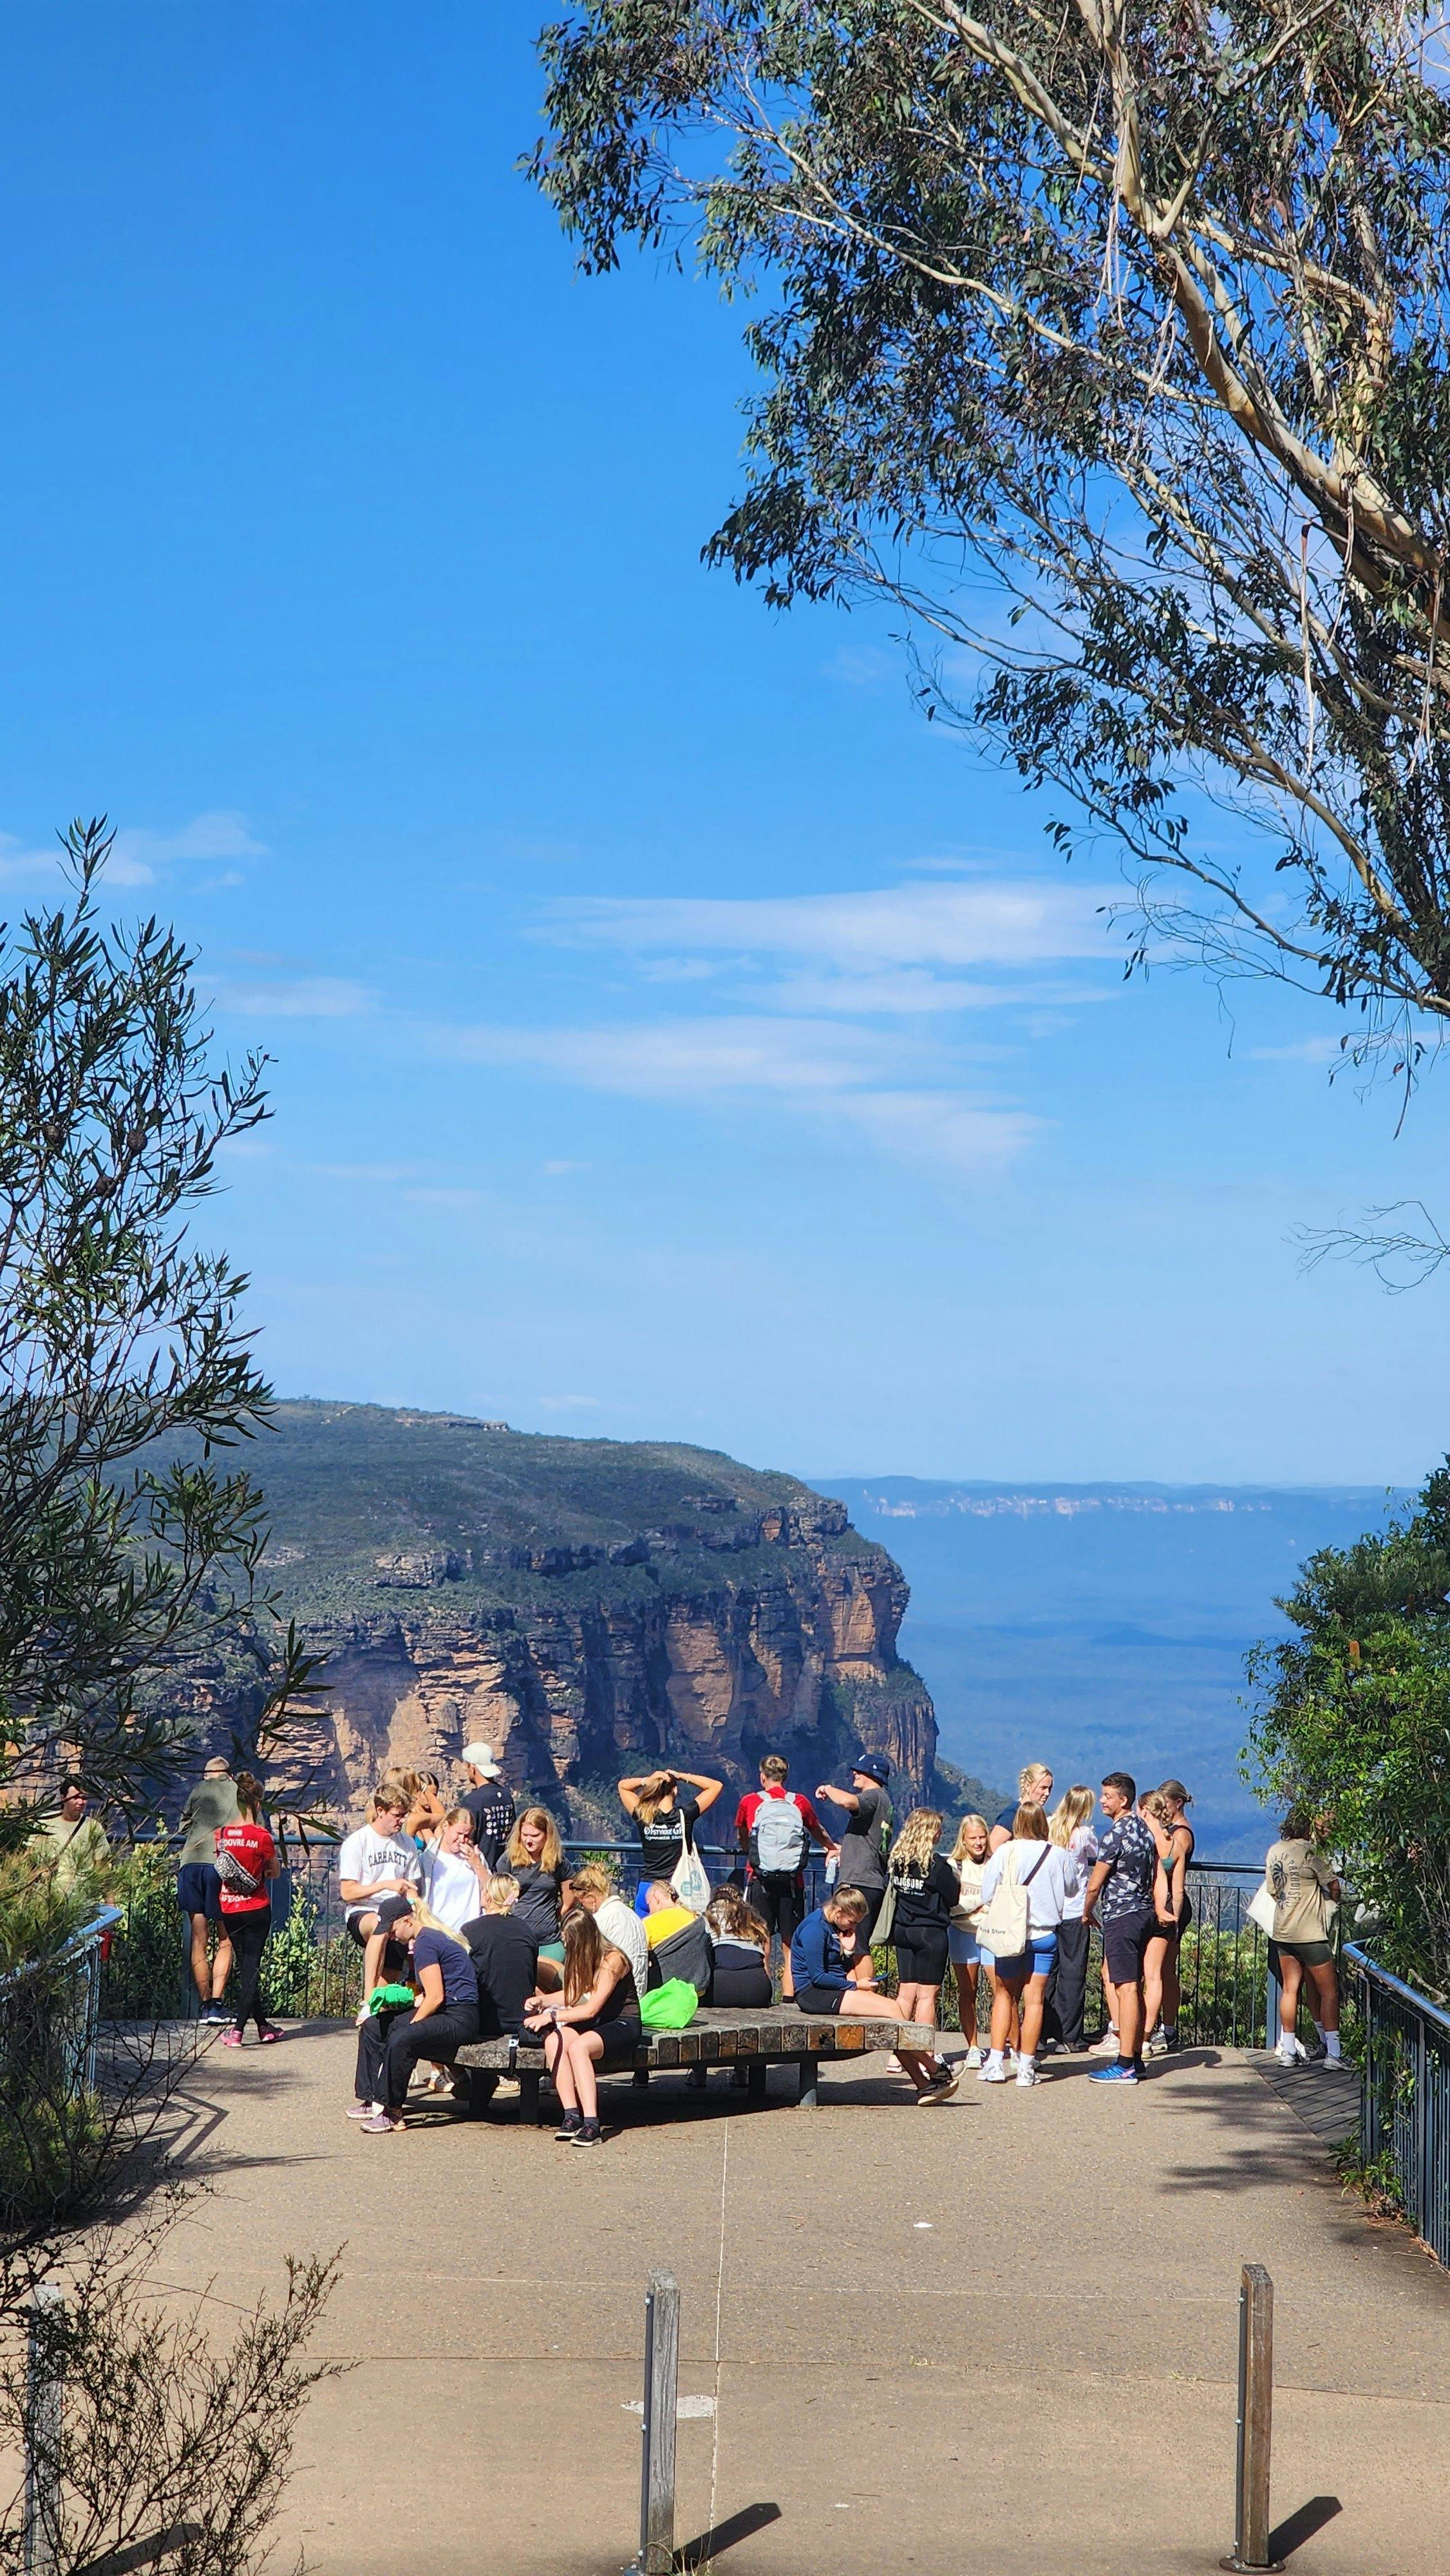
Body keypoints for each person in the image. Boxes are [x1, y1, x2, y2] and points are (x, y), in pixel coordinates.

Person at [790, 1888, 957, 2103]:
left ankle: (926, 2084)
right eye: (852, 1922)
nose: (854, 1927)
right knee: (891, 2010)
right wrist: (856, 1985)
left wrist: (848, 1953)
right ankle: (933, 2069)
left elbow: (836, 1966)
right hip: (814, 1994)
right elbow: (818, 1977)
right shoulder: (814, 1929)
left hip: (832, 1989)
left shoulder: (833, 1925)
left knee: (893, 2012)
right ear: (838, 1912)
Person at [975, 1803, 1078, 2085]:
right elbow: (1072, 1889)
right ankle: (1026, 2068)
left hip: (1011, 1934)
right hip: (1045, 1935)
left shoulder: (1007, 1852)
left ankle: (996, 2062)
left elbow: (987, 1893)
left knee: (1004, 1996)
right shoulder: (1058, 1855)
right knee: (1034, 2001)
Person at [355, 1904, 482, 2133]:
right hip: (447, 2010)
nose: (392, 1937)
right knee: (374, 2026)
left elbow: (435, 1997)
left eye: (392, 1931)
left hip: (459, 2016)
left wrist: (413, 2025)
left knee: (403, 2039)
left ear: (407, 1921)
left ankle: (391, 2112)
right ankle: (370, 2098)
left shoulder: (426, 1943)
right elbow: (431, 1994)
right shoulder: (427, 1940)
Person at [1083, 1773, 1174, 2085]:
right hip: (1144, 1913)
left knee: (1126, 1988)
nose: (1102, 1801)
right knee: (1133, 1983)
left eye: (1107, 1795)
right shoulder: (1145, 1832)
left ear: (1123, 1800)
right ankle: (1135, 2057)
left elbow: (1096, 1882)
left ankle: (1124, 2064)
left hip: (1121, 1916)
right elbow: (1154, 1871)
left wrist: (1086, 1911)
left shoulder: (1115, 1835)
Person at [524, 1904, 642, 2147]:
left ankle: (592, 2123)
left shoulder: (613, 1960)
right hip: (597, 2024)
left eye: (568, 1940)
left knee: (579, 2047)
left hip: (623, 2023)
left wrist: (551, 2017)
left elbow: (591, 2008)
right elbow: (575, 1994)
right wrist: (542, 2001)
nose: (565, 1946)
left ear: (583, 1939)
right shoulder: (583, 1957)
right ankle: (571, 2115)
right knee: (554, 2041)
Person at [733, 1754, 830, 1999]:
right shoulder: (799, 1802)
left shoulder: (750, 1801)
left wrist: (748, 1849)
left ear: (762, 1776)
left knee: (761, 1941)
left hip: (760, 1880)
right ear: (785, 1777)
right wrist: (832, 1847)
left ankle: (763, 1997)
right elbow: (816, 1830)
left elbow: (743, 1835)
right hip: (791, 1883)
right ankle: (789, 1999)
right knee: (790, 1945)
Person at [337, 1785, 424, 2021]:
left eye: (403, 1816)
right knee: (381, 1925)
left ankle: (413, 1996)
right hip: (365, 1910)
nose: (401, 1821)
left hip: (400, 1911)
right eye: (397, 1816)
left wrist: (421, 1918)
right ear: (380, 1811)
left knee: (425, 1936)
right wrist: (386, 1884)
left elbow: (412, 1890)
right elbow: (348, 1892)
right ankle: (368, 1998)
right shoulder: (358, 1842)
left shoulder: (407, 1844)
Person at [1264, 1807, 1343, 2065]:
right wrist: (1332, 1899)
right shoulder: (1313, 1852)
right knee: (1329, 1992)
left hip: (1284, 1930)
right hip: (1311, 1933)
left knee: (1290, 1989)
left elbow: (1273, 1889)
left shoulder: (1275, 1850)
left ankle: (1287, 2050)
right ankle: (1334, 2053)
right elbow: (1333, 1885)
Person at [215, 1772, 281, 2046]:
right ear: (257, 1804)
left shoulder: (222, 1835)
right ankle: (239, 2031)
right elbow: (275, 1871)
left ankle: (264, 2026)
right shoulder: (262, 1837)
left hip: (230, 1908)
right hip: (257, 1908)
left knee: (246, 1966)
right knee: (251, 1968)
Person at [883, 1809, 957, 2043]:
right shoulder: (936, 1866)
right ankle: (924, 2053)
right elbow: (953, 1898)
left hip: (903, 1930)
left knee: (905, 1993)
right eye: (938, 1829)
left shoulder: (898, 1861)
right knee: (927, 1996)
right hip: (930, 1933)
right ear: (930, 1833)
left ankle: (898, 2054)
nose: (940, 1833)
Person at [176, 1756, 241, 2022]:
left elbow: (183, 1826)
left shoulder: (198, 1790)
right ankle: (217, 2003)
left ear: (208, 1774)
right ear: (229, 1774)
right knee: (226, 1938)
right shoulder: (239, 1791)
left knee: (198, 1939)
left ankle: (204, 2007)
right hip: (221, 1866)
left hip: (191, 1865)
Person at [617, 1765, 723, 1907]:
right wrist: (681, 1776)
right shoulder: (684, 1816)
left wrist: (647, 1780)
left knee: (646, 1929)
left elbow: (623, 1786)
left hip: (647, 1889)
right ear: (675, 1790)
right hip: (674, 1890)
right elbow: (715, 1786)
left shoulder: (644, 1816)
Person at [1045, 1787, 1097, 2052]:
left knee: (1045, 1972)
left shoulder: (1047, 1826)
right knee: (1073, 1973)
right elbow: (1099, 1857)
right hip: (1076, 1910)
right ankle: (1068, 2035)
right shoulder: (1084, 1834)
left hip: (1049, 1910)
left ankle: (1040, 2033)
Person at [815, 1754, 894, 1922]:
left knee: (856, 1942)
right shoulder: (883, 1800)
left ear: (873, 1774)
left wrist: (827, 1789)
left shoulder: (873, 1796)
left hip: (861, 1883)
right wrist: (843, 1852)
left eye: (860, 1770)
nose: (855, 1773)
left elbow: (847, 1802)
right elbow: (870, 1842)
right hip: (869, 1881)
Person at [1139, 1791, 1185, 2062]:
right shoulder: (1174, 1845)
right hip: (1167, 1914)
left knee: (1134, 1977)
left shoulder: (1146, 1842)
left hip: (1143, 1910)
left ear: (1145, 1811)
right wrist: (1174, 1920)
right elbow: (1177, 1890)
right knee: (1155, 1976)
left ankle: (1132, 2033)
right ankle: (1147, 2035)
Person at [1150, 1781, 1195, 2054]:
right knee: (1161, 1969)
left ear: (1178, 1803)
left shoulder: (1182, 1835)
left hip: (1173, 1905)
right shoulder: (1172, 1831)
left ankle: (1167, 2028)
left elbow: (1171, 1864)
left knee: (1164, 1969)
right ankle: (1164, 2027)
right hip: (1168, 1901)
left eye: (1165, 1803)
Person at [946, 1813, 991, 2068]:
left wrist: (973, 1906)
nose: (978, 1842)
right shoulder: (954, 1865)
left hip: (991, 1933)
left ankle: (1007, 2046)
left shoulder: (995, 1863)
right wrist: (980, 1903)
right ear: (963, 1839)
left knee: (1003, 1991)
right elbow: (955, 1906)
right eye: (973, 1837)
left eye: (982, 1837)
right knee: (968, 1991)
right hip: (962, 1931)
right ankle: (973, 2046)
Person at [500, 1806, 571, 1965]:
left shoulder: (559, 1863)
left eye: (535, 1835)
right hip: (515, 1939)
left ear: (547, 1836)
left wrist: (552, 1919)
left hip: (548, 1941)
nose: (528, 1840)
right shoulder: (509, 1860)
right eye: (525, 1835)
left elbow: (569, 1901)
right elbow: (499, 1896)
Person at [568, 1861, 650, 1996]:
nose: (582, 1907)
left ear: (591, 1897)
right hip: (638, 1992)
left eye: (581, 1903)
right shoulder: (630, 1913)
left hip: (614, 1995)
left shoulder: (600, 1920)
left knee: (548, 1971)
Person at [35, 1776, 111, 1897]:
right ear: (63, 1798)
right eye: (75, 1797)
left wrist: (111, 1904)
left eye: (84, 1798)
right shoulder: (45, 1822)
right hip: (47, 1896)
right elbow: (30, 1860)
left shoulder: (94, 1827)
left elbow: (102, 1868)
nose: (81, 1802)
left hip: (81, 1899)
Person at [418, 1806, 492, 1930]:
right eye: (459, 1834)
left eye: (467, 1835)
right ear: (446, 1827)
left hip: (470, 1932)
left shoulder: (476, 1856)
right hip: (438, 1930)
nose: (462, 1840)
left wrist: (477, 1864)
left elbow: (491, 1889)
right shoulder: (428, 1859)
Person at [641, 1877, 713, 1993]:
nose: (650, 1911)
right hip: (697, 1990)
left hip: (665, 1991)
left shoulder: (649, 1923)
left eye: (649, 1905)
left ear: (657, 1898)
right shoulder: (695, 1917)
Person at [704, 1885, 773, 2007]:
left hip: (721, 1987)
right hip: (758, 1990)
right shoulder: (756, 1922)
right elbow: (766, 1966)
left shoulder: (707, 1919)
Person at [458, 1742, 516, 1868]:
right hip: (506, 1869)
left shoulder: (472, 1801)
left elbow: (467, 1840)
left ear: (473, 1768)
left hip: (482, 1869)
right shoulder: (507, 1796)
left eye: (467, 1766)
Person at [988, 1763, 1054, 1854]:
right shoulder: (1011, 1816)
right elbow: (992, 1849)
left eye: (1050, 1788)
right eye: (1043, 1788)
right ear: (1027, 1786)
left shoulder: (1038, 1816)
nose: (1047, 1793)